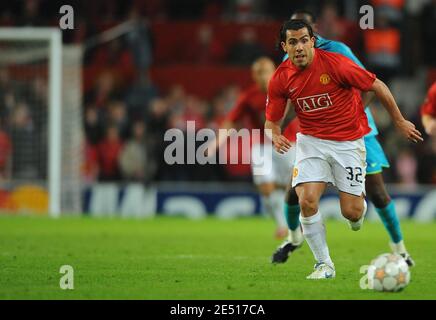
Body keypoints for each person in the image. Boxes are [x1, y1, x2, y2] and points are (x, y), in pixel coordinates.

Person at [265, 20, 422, 279]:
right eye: (293, 42)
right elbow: (271, 121)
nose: (300, 46)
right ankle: (324, 265)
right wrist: (275, 134)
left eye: (304, 40)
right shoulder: (281, 77)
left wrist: (399, 120)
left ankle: (358, 211)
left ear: (313, 41)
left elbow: (377, 85)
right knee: (306, 200)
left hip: (348, 143)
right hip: (311, 142)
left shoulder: (335, 63)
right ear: (285, 46)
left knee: (352, 214)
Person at [207, 56, 300, 240]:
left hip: (289, 144)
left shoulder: (289, 89)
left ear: (274, 72)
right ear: (253, 76)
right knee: (266, 186)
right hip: (263, 145)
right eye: (258, 73)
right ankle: (282, 225)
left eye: (266, 72)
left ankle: (297, 221)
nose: (263, 77)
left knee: (293, 189)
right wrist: (215, 143)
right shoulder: (249, 96)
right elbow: (230, 121)